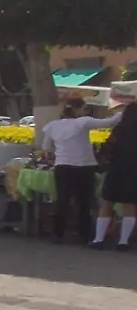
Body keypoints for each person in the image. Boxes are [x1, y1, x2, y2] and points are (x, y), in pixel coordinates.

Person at [37, 97, 121, 244]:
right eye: (84, 108)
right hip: (84, 167)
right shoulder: (83, 122)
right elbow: (110, 122)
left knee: (62, 201)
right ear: (76, 110)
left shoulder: (52, 126)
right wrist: (122, 110)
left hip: (62, 166)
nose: (86, 111)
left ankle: (58, 234)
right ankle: (84, 234)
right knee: (84, 202)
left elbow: (46, 148)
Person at [91, 103, 137, 250]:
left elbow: (107, 148)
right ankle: (123, 241)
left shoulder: (119, 130)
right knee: (129, 205)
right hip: (133, 172)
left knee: (107, 203)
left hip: (116, 170)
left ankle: (99, 239)